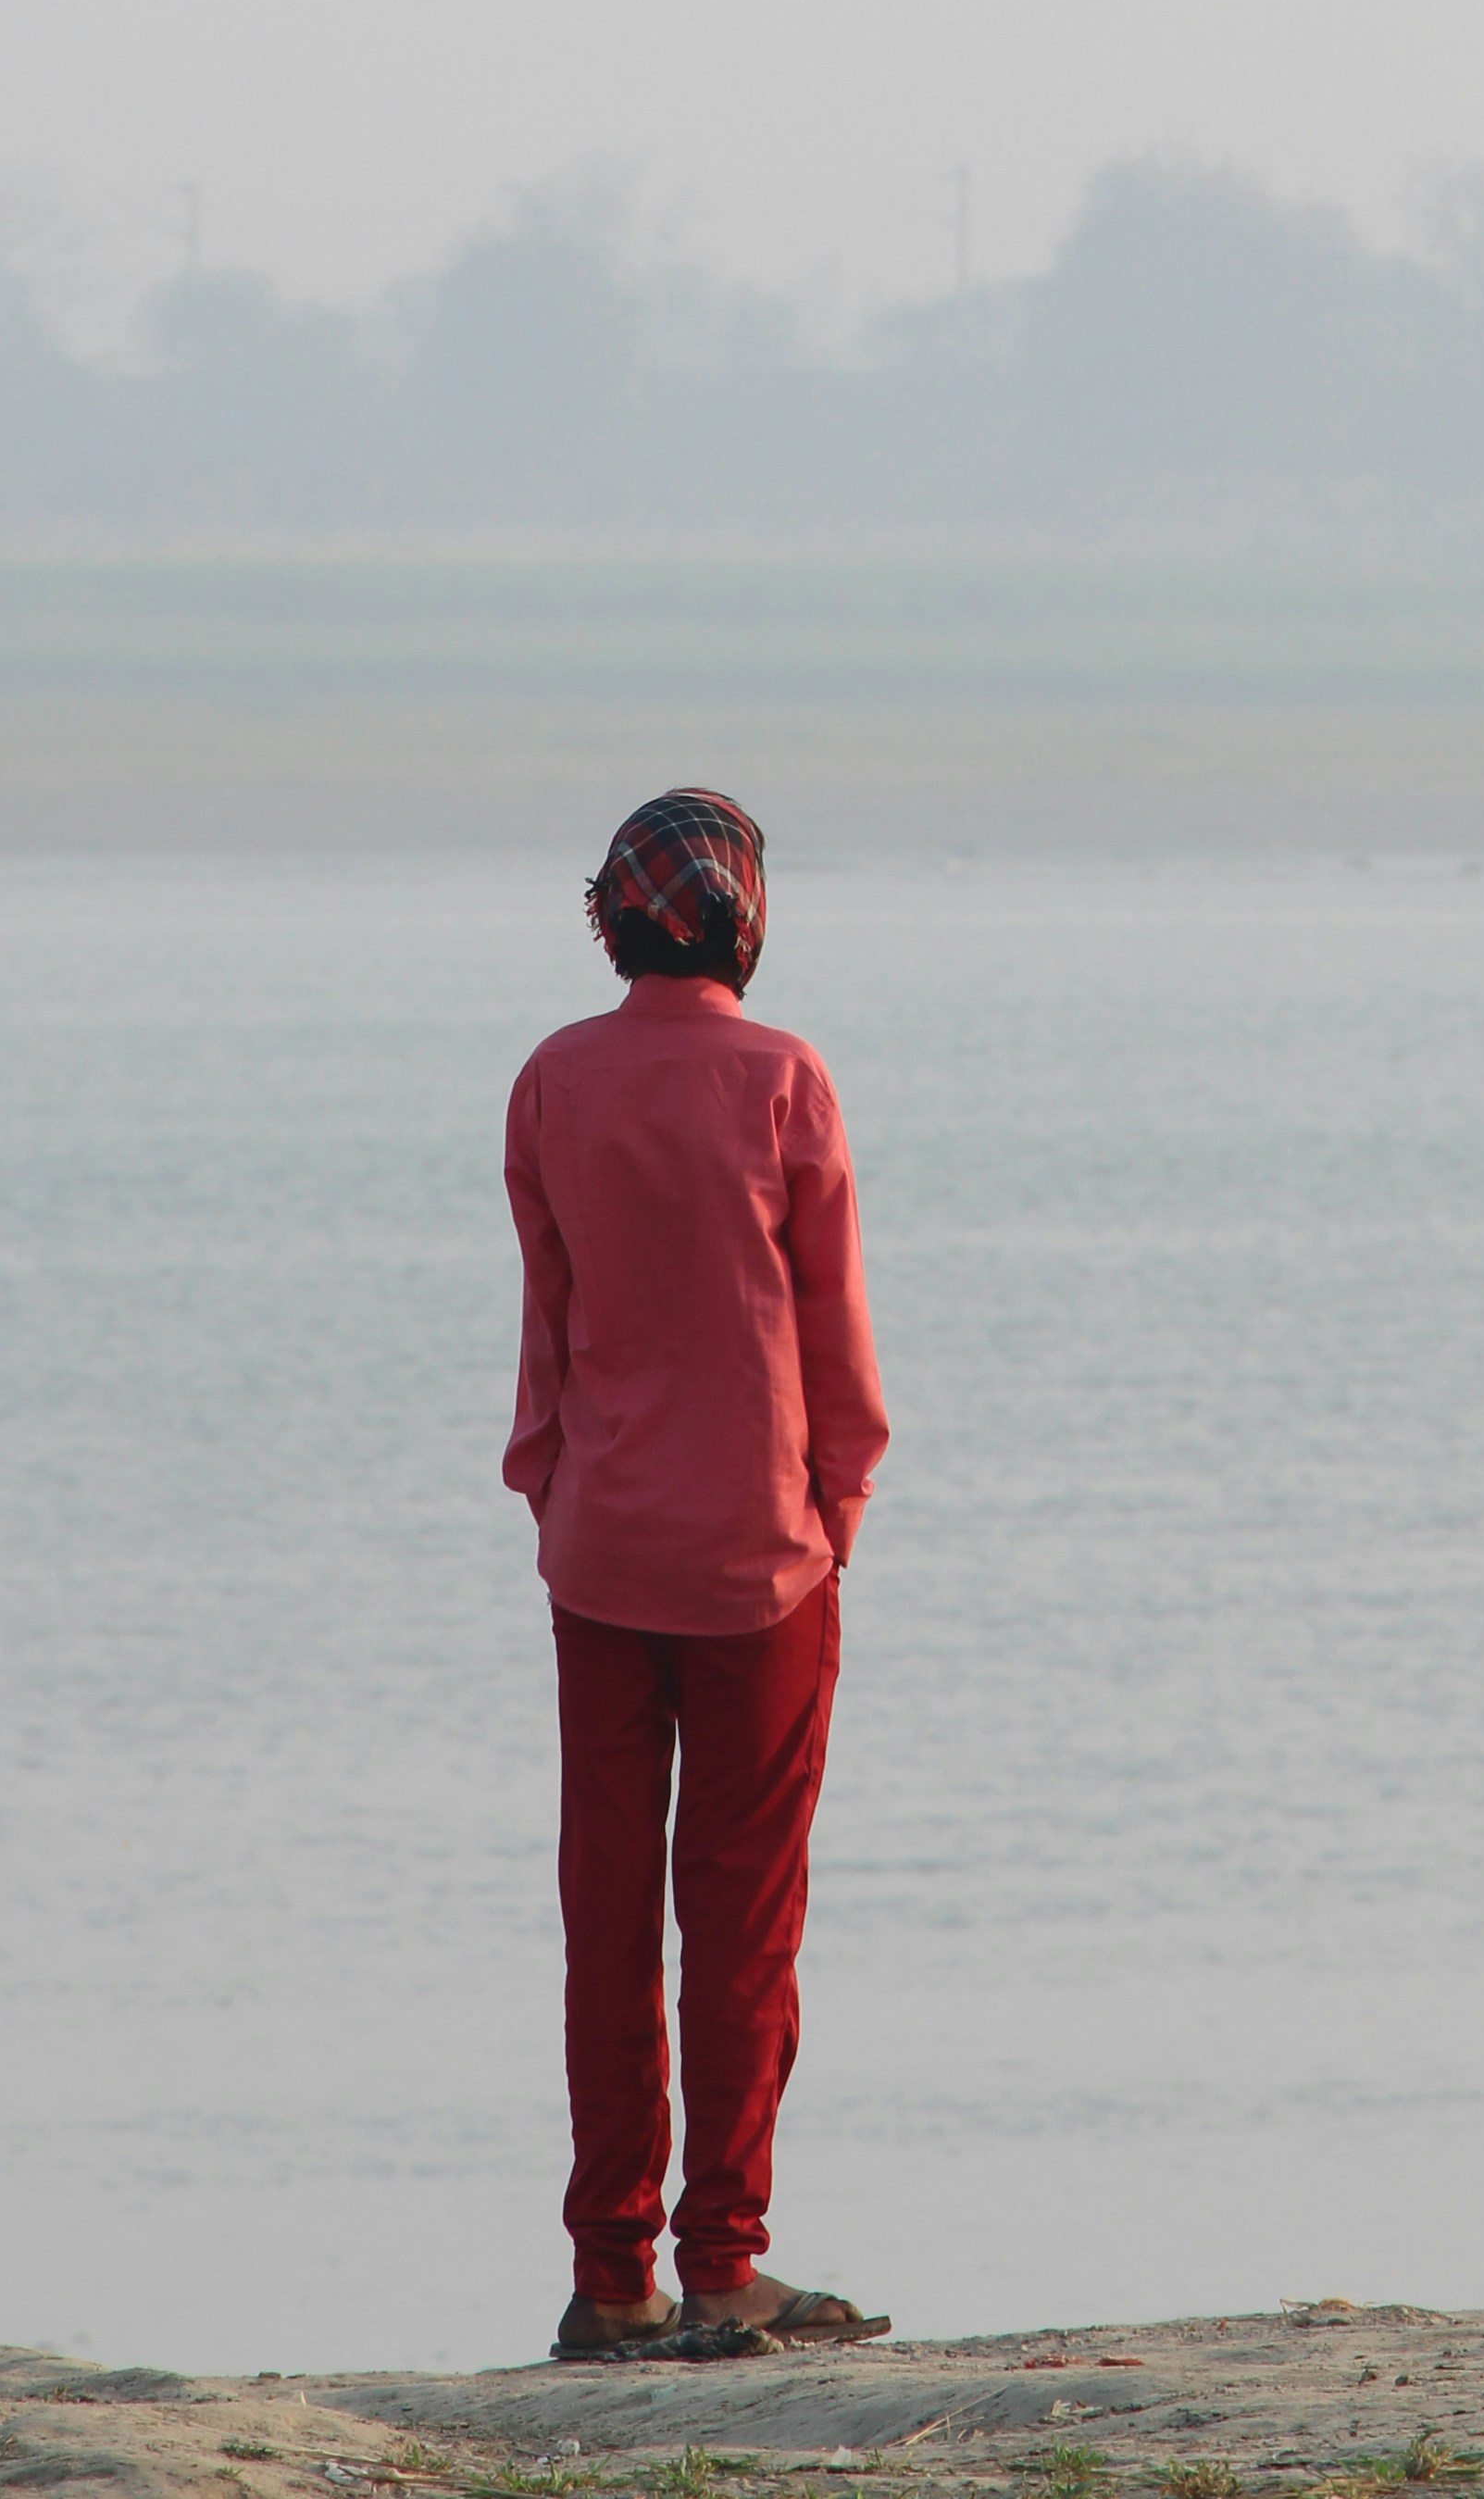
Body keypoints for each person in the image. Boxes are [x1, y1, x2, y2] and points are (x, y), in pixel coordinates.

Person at [503, 787, 892, 2355]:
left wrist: (551, 1486)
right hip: (762, 1567)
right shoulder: (786, 1078)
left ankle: (613, 2280)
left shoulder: (551, 1081)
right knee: (741, 1922)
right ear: (743, 919)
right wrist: (839, 1504)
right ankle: (724, 2265)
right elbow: (832, 1334)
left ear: (616, 919)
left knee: (607, 1912)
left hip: (599, 1552)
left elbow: (548, 1317)